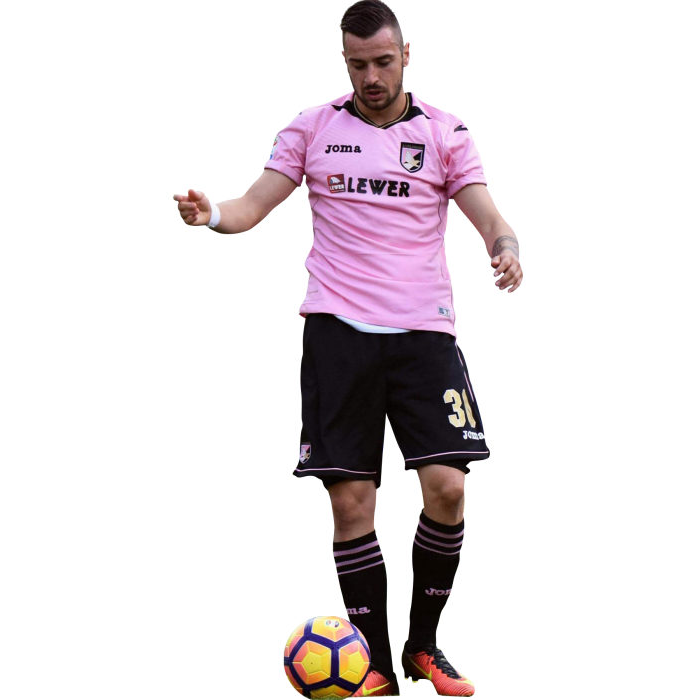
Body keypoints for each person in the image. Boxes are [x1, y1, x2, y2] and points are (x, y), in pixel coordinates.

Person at [174, 1, 522, 696]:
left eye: (384, 62)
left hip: (425, 332)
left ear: (406, 55)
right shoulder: (313, 127)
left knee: (448, 488)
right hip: (337, 334)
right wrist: (211, 215)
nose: (372, 76)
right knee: (352, 503)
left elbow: (488, 216)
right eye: (359, 64)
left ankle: (423, 647)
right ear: (344, 61)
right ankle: (379, 669)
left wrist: (505, 246)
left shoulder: (445, 131)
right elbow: (250, 208)